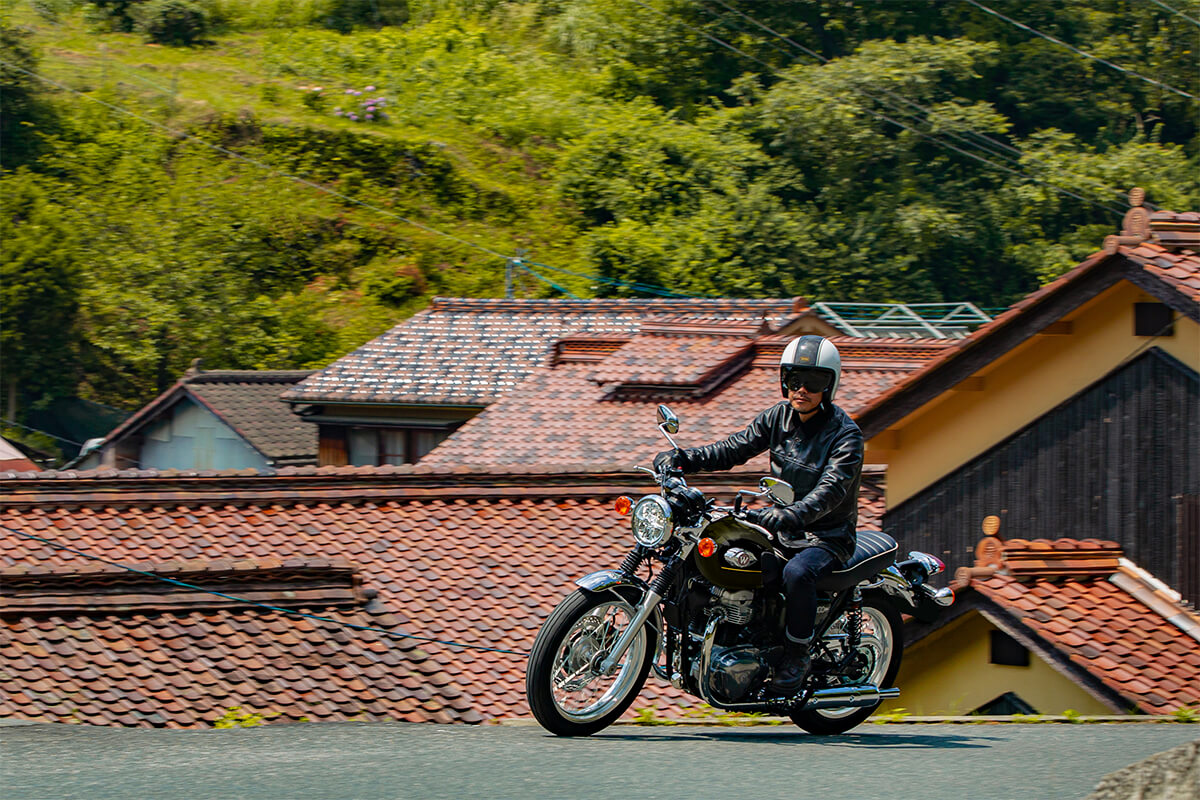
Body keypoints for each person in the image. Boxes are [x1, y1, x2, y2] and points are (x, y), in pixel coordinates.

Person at [654, 335, 864, 693]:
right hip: (781, 526)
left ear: (830, 385)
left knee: (798, 573)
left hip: (825, 536)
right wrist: (684, 458)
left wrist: (792, 514)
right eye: (794, 379)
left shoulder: (846, 437)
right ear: (784, 381)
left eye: (813, 382)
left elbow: (830, 491)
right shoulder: (778, 417)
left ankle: (797, 653)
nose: (802, 389)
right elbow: (734, 447)